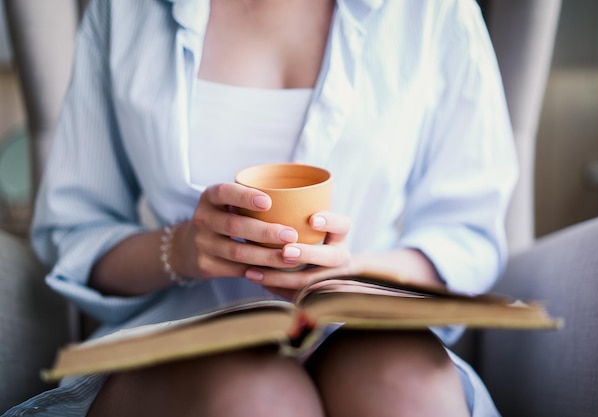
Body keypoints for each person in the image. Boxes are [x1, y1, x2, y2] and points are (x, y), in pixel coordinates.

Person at [2, 0, 518, 416]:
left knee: (407, 391)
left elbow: (465, 233)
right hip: (173, 337)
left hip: (362, 325)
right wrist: (179, 249)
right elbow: (75, 232)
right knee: (258, 397)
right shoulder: (126, 11)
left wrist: (356, 272)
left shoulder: (434, 12)